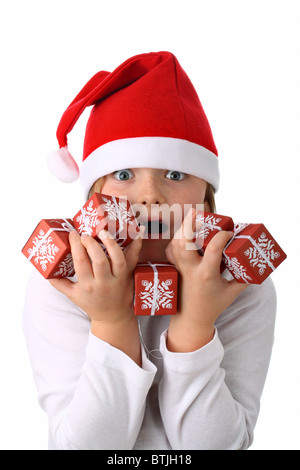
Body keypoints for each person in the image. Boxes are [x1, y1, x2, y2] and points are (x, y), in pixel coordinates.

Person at [23, 51, 276, 450]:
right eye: (123, 174)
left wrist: (195, 323)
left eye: (175, 174)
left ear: (207, 198)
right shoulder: (64, 279)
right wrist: (109, 319)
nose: (149, 197)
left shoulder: (240, 283)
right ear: (94, 194)